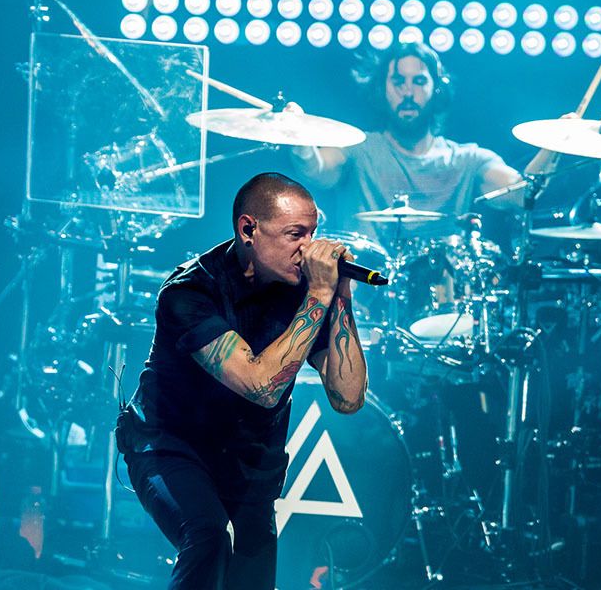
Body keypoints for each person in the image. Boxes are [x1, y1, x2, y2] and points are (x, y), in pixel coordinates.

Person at [115, 172, 368, 589]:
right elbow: (261, 387)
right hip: (172, 447)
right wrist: (319, 296)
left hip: (251, 465)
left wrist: (340, 295)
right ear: (249, 229)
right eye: (295, 234)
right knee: (208, 536)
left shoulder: (305, 290)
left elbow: (348, 397)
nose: (309, 247)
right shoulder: (190, 292)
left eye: (313, 232)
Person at [291, 41, 558, 245]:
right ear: (382, 89)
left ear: (436, 89)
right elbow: (318, 170)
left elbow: (522, 193)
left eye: (419, 81)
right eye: (398, 81)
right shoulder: (358, 149)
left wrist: (556, 143)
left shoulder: (469, 160)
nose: (408, 92)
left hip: (442, 299)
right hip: (360, 295)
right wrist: (298, 140)